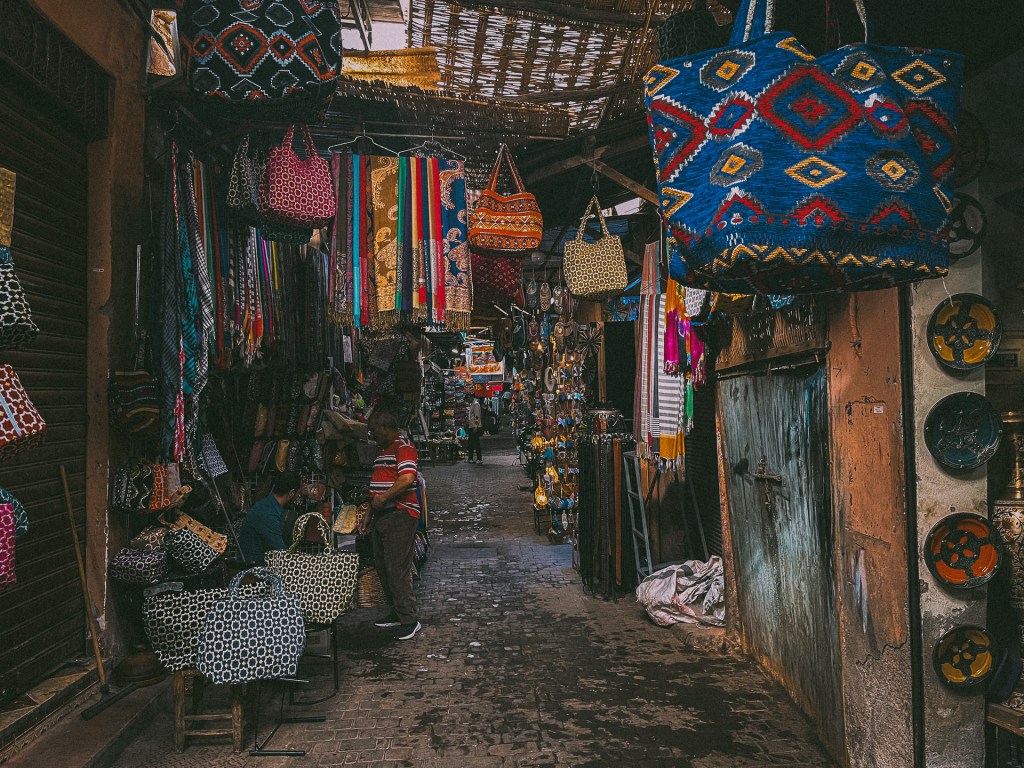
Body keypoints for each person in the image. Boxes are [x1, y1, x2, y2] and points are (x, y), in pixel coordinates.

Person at [358, 409, 422, 640]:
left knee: (396, 568)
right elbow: (377, 485)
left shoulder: (402, 445)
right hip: (382, 514)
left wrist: (383, 500)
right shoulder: (382, 449)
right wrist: (369, 512)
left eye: (373, 429)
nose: (371, 434)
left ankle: (409, 619)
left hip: (400, 513)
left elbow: (407, 478)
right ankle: (396, 612)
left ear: (385, 427)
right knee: (384, 567)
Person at [238, 472, 300, 566]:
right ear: (291, 493)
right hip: (254, 569)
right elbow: (281, 551)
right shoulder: (267, 513)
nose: (299, 496)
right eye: (298, 493)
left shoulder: (268, 506)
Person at [466, 396, 483, 464]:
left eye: (467, 399)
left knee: (476, 443)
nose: (467, 401)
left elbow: (477, 416)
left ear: (470, 398)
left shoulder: (476, 404)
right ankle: (470, 458)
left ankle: (479, 459)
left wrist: (476, 426)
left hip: (475, 426)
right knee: (471, 443)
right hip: (471, 426)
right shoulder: (472, 404)